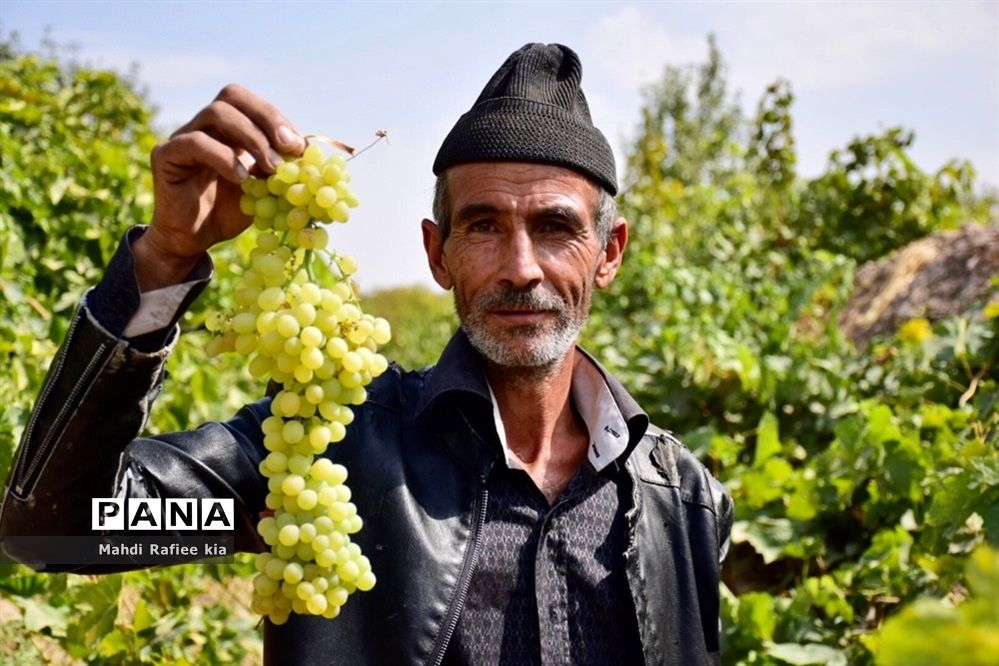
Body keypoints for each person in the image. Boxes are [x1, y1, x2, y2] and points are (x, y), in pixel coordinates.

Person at [0, 43, 732, 664]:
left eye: (553, 228)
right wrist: (161, 262)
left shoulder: (684, 500)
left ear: (608, 252)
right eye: (481, 226)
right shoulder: (325, 449)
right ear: (435, 253)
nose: (520, 268)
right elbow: (59, 530)